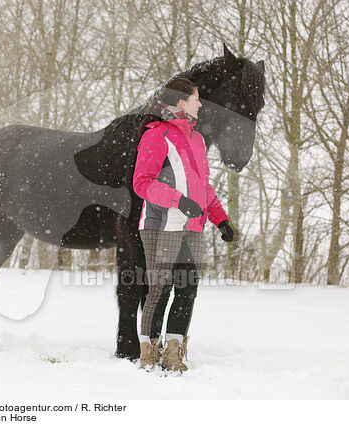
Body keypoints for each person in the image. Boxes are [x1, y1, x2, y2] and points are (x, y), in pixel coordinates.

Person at [133, 77, 236, 372]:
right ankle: (149, 353)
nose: (200, 104)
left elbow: (203, 187)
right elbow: (142, 183)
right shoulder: (156, 135)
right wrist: (178, 200)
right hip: (160, 224)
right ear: (181, 102)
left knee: (187, 288)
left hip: (192, 227)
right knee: (160, 289)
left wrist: (220, 218)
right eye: (196, 99)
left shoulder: (197, 139)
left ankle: (173, 352)